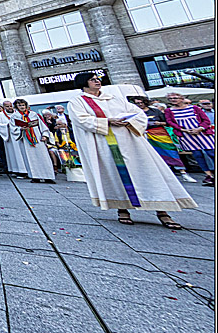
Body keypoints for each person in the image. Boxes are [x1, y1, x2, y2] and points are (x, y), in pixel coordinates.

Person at [68, 73, 196, 228]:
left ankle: (163, 210)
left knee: (147, 173)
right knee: (115, 175)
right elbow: (81, 119)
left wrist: (129, 120)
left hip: (130, 141)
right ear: (83, 83)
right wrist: (108, 121)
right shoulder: (78, 101)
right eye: (93, 80)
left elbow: (139, 114)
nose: (97, 81)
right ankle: (122, 209)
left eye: (98, 79)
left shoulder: (114, 98)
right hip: (105, 143)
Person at [129, 96, 193, 183]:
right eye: (137, 103)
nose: (140, 104)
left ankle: (183, 173)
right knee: (152, 155)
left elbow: (167, 122)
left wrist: (159, 123)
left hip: (160, 133)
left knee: (171, 152)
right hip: (144, 134)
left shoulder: (155, 111)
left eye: (141, 102)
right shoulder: (134, 112)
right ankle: (162, 175)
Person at [164, 93, 215, 187]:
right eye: (170, 98)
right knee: (197, 155)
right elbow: (170, 122)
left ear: (181, 98)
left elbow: (206, 120)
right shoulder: (169, 111)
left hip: (202, 133)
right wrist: (183, 130)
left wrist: (200, 128)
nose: (173, 100)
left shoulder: (194, 108)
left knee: (211, 152)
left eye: (175, 98)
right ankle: (209, 175)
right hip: (186, 135)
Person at [11, 100, 55, 183]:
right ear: (16, 107)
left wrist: (45, 135)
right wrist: (20, 129)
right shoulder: (14, 116)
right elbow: (12, 128)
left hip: (37, 138)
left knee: (43, 157)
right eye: (19, 105)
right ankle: (35, 176)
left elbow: (42, 126)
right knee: (30, 158)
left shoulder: (33, 114)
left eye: (23, 105)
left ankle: (48, 176)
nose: (22, 107)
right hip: (25, 140)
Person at [0, 101, 26, 178]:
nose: (9, 108)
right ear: (4, 107)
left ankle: (25, 169)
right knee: (13, 154)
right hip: (10, 137)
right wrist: (8, 126)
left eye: (10, 106)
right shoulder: (0, 115)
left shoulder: (17, 113)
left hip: (20, 136)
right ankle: (15, 170)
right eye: (7, 106)